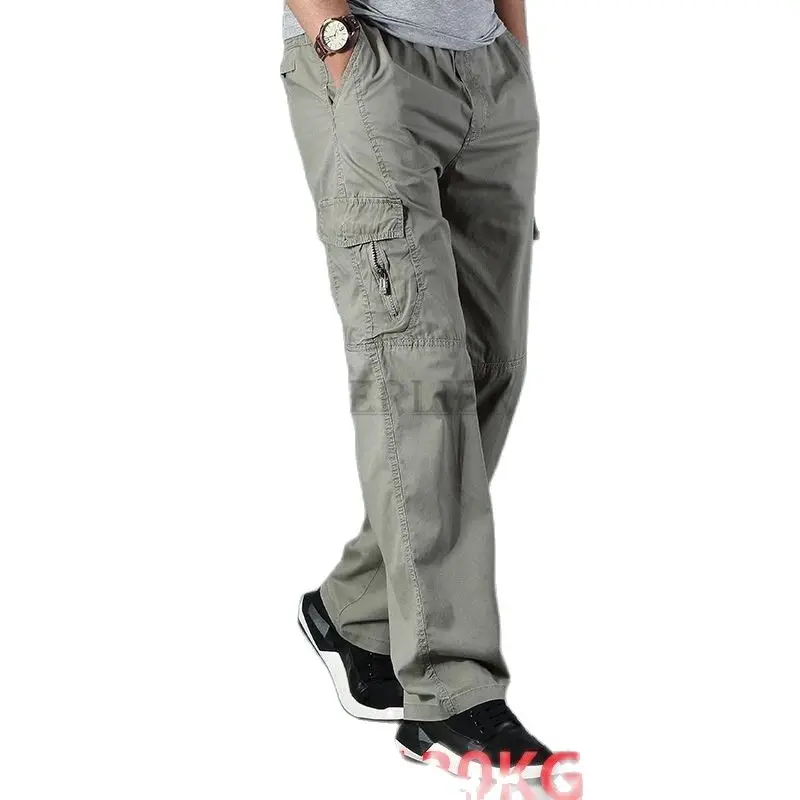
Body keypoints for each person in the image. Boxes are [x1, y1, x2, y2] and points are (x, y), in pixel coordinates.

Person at [282, 0, 550, 778]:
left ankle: (357, 610)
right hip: (374, 55)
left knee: (491, 366)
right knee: (420, 383)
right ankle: (447, 693)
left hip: (488, 68)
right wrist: (339, 46)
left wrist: (514, 51)